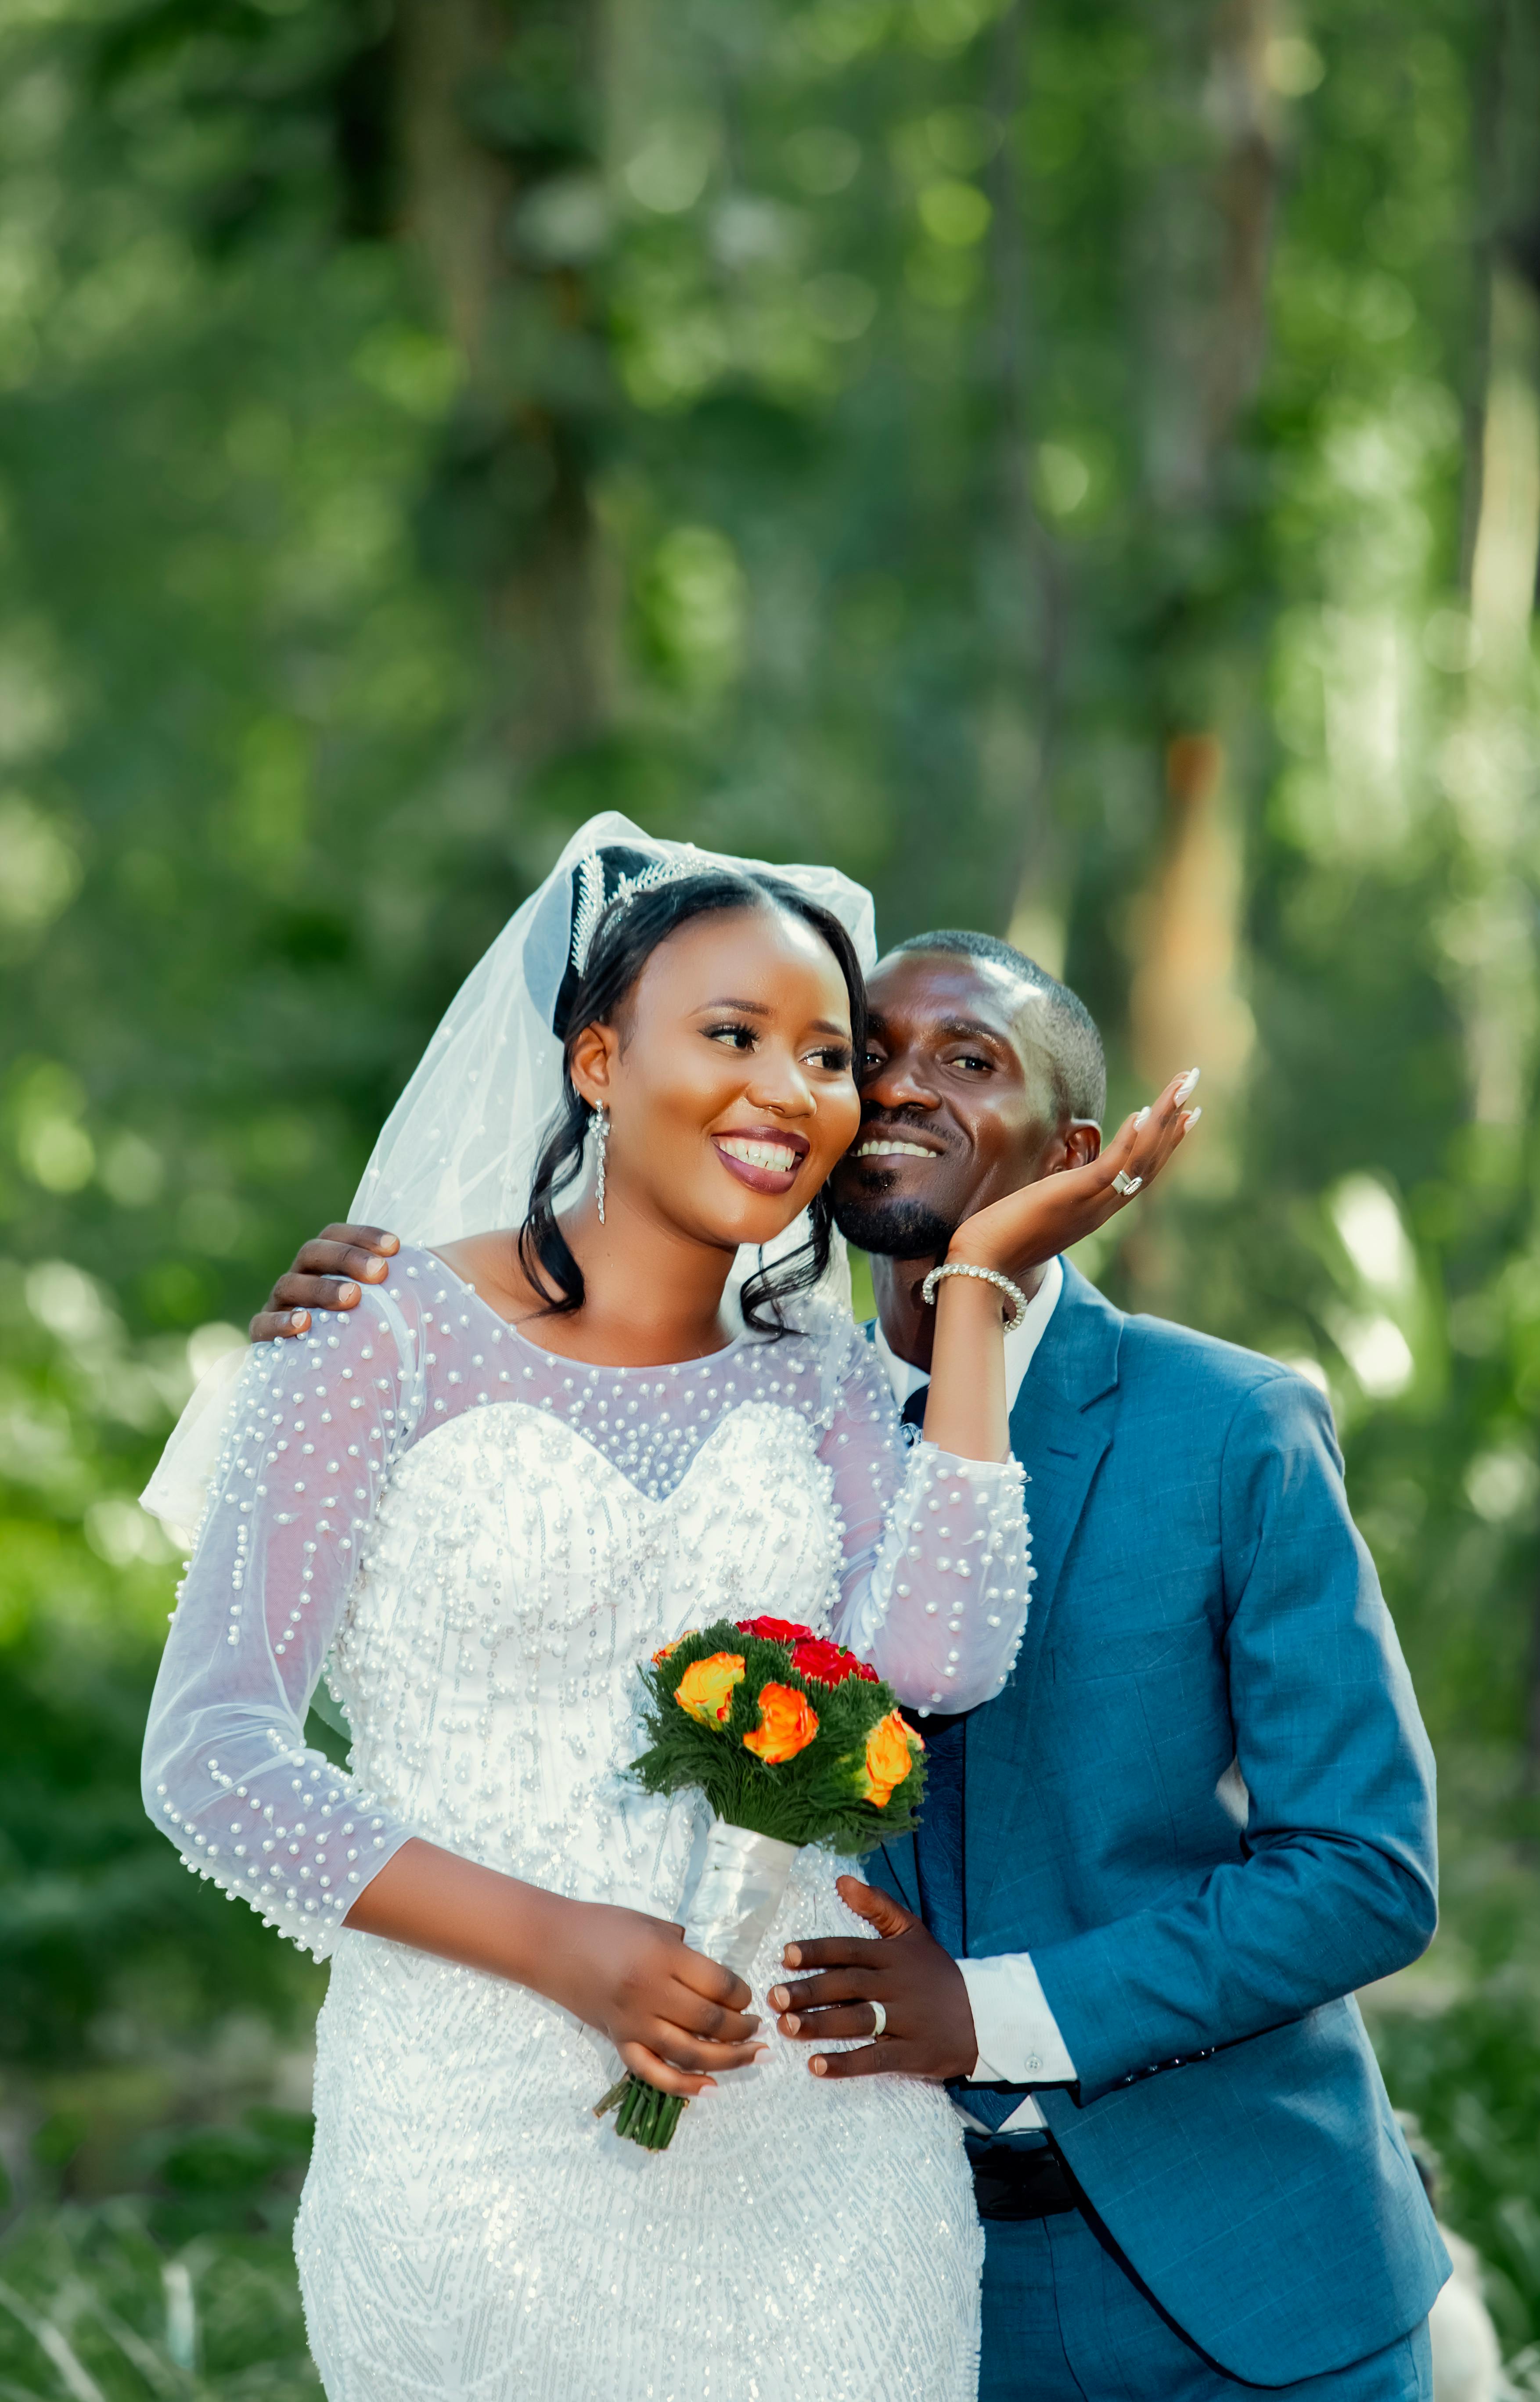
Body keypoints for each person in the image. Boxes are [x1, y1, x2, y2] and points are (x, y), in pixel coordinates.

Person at [271, 923, 1451, 2401]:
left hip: (1237, 2279)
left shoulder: (1228, 1428)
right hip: (869, 2261)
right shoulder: (758, 1414)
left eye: (968, 1062)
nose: (893, 1090)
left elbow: (1364, 1871)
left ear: (1074, 1149)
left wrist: (991, 2013)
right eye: (861, 1056)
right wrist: (390, 1313)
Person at [142, 816, 1191, 2402]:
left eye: (828, 1056)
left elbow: (936, 1660)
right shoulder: (369, 1335)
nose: (790, 1089)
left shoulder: (828, 1377)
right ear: (594, 1064)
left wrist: (971, 1288)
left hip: (824, 2147)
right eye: (732, 1035)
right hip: (471, 2129)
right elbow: (212, 1758)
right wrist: (565, 1947)